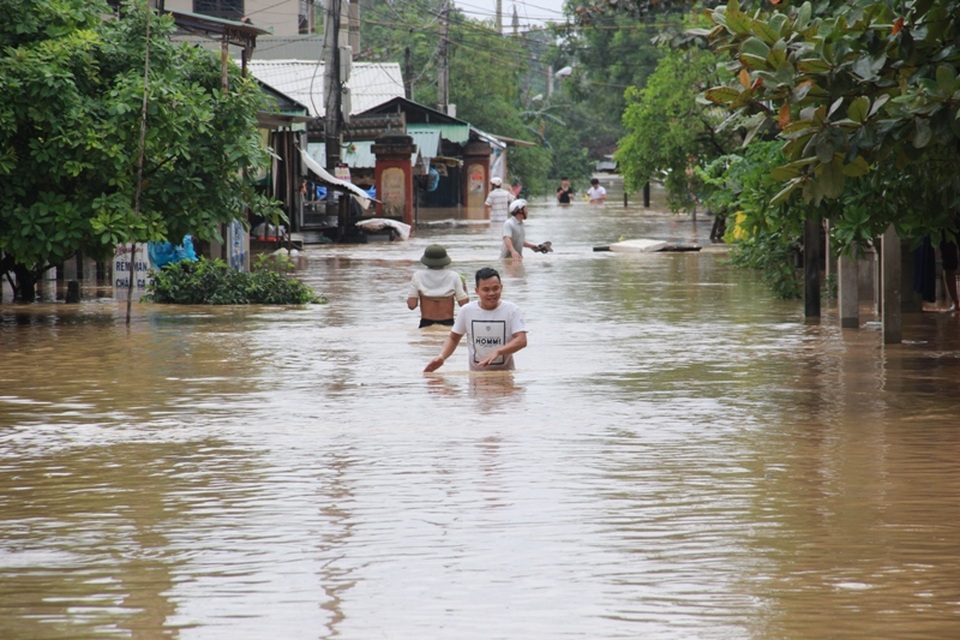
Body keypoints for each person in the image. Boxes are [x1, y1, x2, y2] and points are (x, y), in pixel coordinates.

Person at [423, 267, 528, 372]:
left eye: (495, 288)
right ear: (477, 291)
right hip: (476, 376)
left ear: (501, 288)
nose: (491, 293)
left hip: (505, 374)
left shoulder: (512, 310)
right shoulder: (467, 311)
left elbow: (521, 340)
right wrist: (442, 357)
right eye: (486, 289)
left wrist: (498, 351)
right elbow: (453, 338)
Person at [406, 244, 469, 328]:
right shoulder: (454, 276)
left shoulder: (418, 276)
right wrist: (464, 287)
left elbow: (411, 305)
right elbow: (464, 304)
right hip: (448, 324)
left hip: (425, 324)